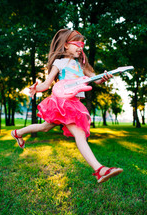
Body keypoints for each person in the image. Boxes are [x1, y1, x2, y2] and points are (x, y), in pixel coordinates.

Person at [11, 29, 123, 183]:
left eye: (82, 44)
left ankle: (17, 132)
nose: (80, 47)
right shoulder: (60, 62)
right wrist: (36, 88)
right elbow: (47, 83)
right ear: (65, 45)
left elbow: (95, 79)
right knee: (80, 135)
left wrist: (103, 78)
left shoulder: (82, 65)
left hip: (75, 104)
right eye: (77, 43)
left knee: (44, 127)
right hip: (62, 103)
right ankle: (100, 169)